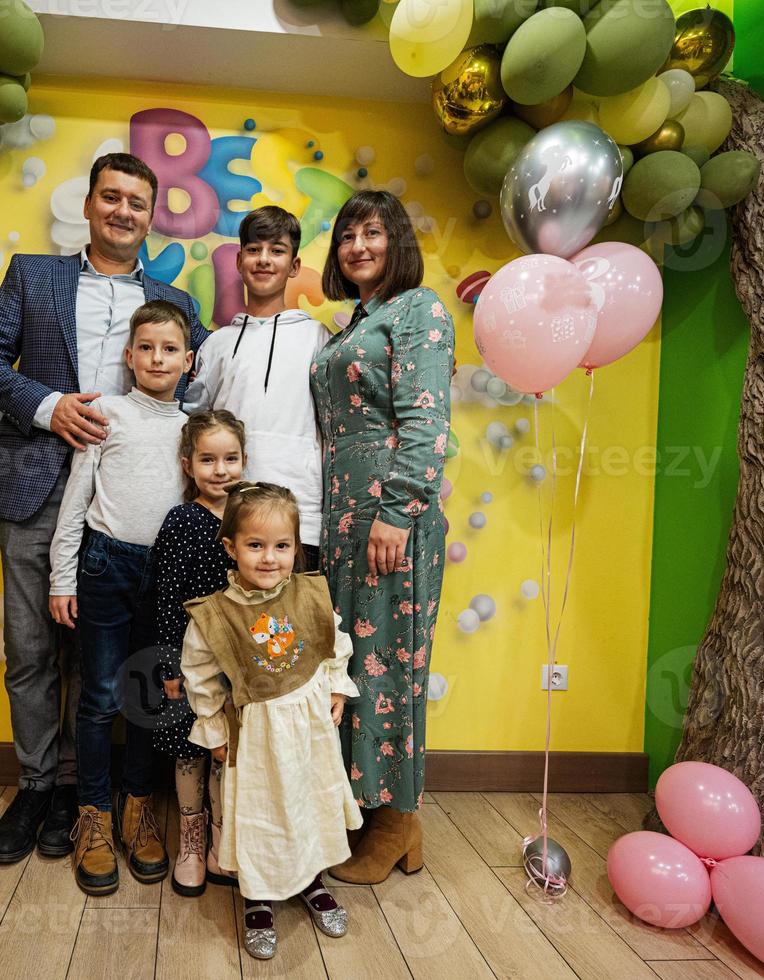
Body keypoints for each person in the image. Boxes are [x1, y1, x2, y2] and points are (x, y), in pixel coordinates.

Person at [0, 152, 210, 866]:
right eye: (112, 197)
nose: (124, 211)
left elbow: (183, 409)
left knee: (111, 660)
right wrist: (47, 407)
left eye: (138, 201)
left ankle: (92, 795)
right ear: (91, 204)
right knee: (32, 649)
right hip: (39, 484)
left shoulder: (174, 302)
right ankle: (41, 787)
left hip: (129, 511)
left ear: (151, 213)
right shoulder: (33, 276)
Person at [310, 190, 453, 884]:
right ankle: (371, 815)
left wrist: (397, 512)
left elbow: (427, 421)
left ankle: (396, 823)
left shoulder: (419, 310)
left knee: (390, 666)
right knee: (355, 664)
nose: (358, 246)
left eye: (372, 233)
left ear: (397, 241)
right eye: (346, 236)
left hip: (390, 521)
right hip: (346, 524)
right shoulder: (351, 325)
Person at [48, 300, 194, 895]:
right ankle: (93, 818)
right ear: (129, 356)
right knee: (100, 697)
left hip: (166, 576)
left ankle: (137, 808)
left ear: (188, 360)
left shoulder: (192, 425)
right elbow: (76, 500)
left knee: (145, 697)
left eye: (170, 349)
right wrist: (63, 575)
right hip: (106, 566)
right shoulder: (105, 413)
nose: (157, 358)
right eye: (146, 348)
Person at [181, 483, 362, 960]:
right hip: (257, 736)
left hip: (309, 730)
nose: (269, 558)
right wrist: (214, 730)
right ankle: (258, 896)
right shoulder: (216, 614)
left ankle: (313, 880)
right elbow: (199, 675)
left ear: (295, 548)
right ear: (231, 547)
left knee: (310, 803)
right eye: (255, 545)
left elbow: (334, 643)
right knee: (261, 812)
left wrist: (339, 685)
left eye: (281, 546)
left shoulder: (309, 594)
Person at [182, 206, 333, 569]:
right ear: (239, 260)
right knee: (222, 625)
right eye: (254, 249)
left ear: (294, 266)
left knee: (288, 627)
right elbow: (195, 424)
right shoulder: (216, 345)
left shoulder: (320, 340)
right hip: (227, 520)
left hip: (299, 523)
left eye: (277, 250)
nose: (264, 259)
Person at [144, 410, 247, 896]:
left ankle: (222, 843)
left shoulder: (251, 516)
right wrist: (170, 666)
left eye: (230, 458)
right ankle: (190, 838)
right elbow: (165, 595)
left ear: (245, 461)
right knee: (191, 750)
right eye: (208, 459)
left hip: (240, 664)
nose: (220, 470)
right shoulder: (182, 520)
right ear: (189, 465)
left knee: (229, 752)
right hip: (190, 664)